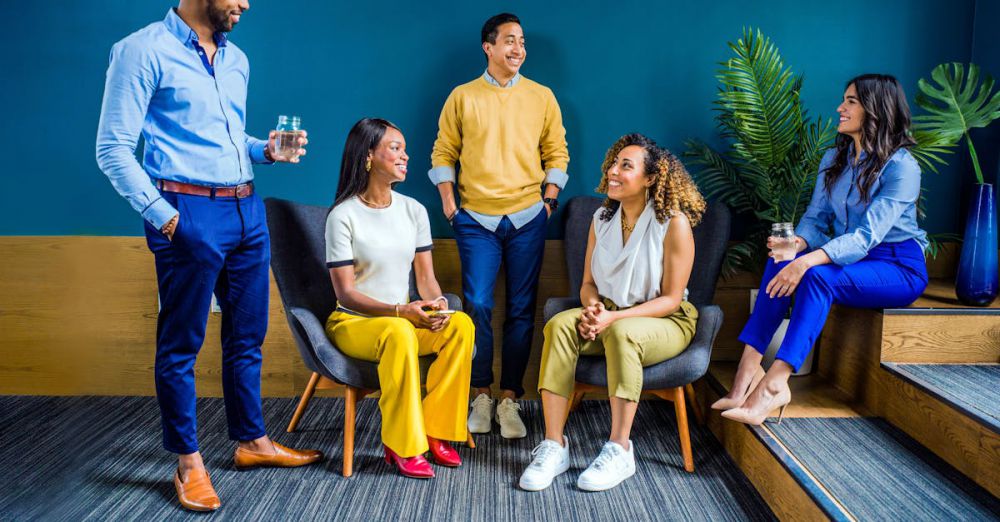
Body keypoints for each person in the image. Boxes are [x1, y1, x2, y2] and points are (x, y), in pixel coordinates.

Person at [95, 0, 322, 512]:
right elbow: (112, 148)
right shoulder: (140, 50)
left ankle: (251, 441)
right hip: (185, 210)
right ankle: (188, 463)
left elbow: (224, 138)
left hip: (247, 207)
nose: (245, 3)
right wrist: (167, 218)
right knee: (181, 344)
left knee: (248, 335)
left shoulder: (237, 59)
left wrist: (266, 150)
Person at [713, 74, 929, 425]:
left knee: (815, 277)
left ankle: (776, 383)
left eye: (851, 102)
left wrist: (807, 261)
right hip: (849, 260)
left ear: (877, 109)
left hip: (896, 266)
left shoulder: (902, 167)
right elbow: (816, 218)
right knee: (781, 258)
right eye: (844, 99)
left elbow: (866, 237)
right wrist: (796, 244)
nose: (840, 108)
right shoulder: (835, 158)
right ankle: (746, 372)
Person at [519, 134, 706, 492]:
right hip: (608, 314)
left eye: (626, 165)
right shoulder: (601, 218)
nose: (613, 171)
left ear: (651, 178)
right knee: (560, 325)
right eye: (613, 163)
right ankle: (554, 446)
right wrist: (593, 309)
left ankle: (620, 450)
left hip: (664, 320)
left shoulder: (674, 222)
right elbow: (588, 283)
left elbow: (670, 298)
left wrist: (612, 319)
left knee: (623, 333)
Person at [429, 12, 570, 439]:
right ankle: (481, 393)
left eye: (522, 41)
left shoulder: (542, 96)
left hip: (529, 217)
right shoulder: (462, 96)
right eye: (509, 41)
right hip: (475, 220)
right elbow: (442, 152)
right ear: (488, 47)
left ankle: (509, 398)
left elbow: (557, 152)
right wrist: (451, 206)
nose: (518, 49)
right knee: (477, 306)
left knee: (522, 311)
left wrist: (548, 202)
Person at [325, 118, 475, 479]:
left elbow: (426, 279)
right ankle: (402, 444)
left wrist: (438, 305)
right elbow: (345, 292)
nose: (405, 156)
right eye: (395, 148)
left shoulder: (413, 211)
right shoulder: (342, 216)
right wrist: (400, 312)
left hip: (402, 319)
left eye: (404, 148)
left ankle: (435, 430)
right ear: (368, 156)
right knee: (399, 332)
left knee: (460, 324)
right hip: (354, 322)